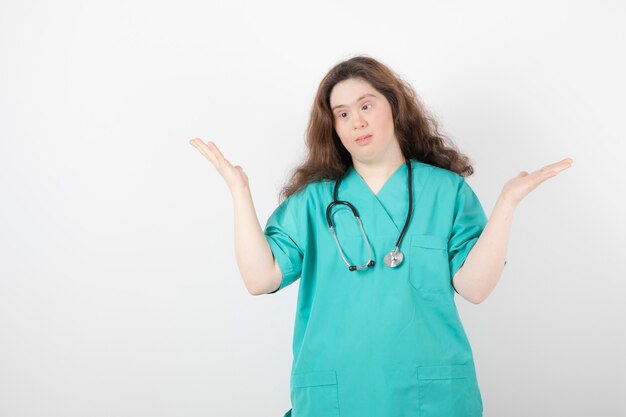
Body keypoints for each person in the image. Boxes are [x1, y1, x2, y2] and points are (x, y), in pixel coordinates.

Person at [189, 55, 572, 417]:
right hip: (337, 394)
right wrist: (239, 190)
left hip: (429, 398)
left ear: (394, 106)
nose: (356, 122)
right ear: (334, 128)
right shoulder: (315, 203)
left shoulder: (446, 192)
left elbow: (474, 288)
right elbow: (260, 278)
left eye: (366, 105)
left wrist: (507, 203)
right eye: (342, 114)